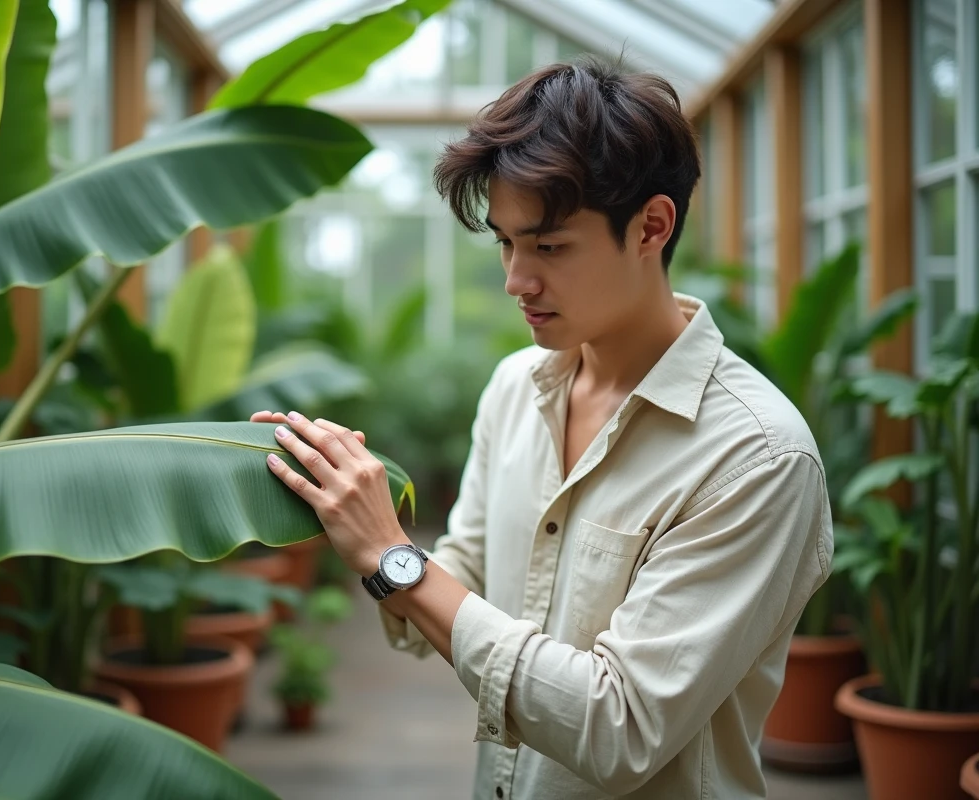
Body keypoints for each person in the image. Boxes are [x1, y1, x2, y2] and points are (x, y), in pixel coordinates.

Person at [251, 56, 831, 799]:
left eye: (549, 246)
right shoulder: (513, 390)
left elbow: (619, 729)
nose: (515, 280)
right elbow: (458, 577)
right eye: (505, 241)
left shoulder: (756, 458)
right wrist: (344, 510)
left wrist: (395, 557)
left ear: (653, 225)